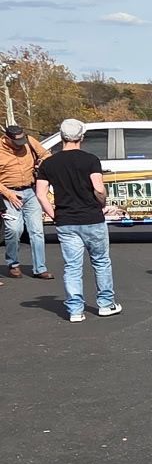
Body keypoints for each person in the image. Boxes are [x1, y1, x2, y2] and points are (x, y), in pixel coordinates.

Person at [34, 117, 119, 320]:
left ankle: (75, 310)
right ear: (81, 136)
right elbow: (98, 189)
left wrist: (53, 214)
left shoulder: (49, 163)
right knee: (101, 262)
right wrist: (103, 203)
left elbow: (40, 194)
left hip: (65, 220)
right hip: (92, 218)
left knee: (72, 266)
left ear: (62, 136)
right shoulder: (90, 160)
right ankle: (106, 304)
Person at [2, 122, 51, 281]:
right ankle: (13, 263)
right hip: (9, 193)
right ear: (7, 139)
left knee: (37, 230)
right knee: (14, 230)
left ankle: (40, 268)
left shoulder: (29, 142)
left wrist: (42, 163)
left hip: (30, 191)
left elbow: (46, 155)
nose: (20, 145)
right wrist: (8, 194)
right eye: (16, 142)